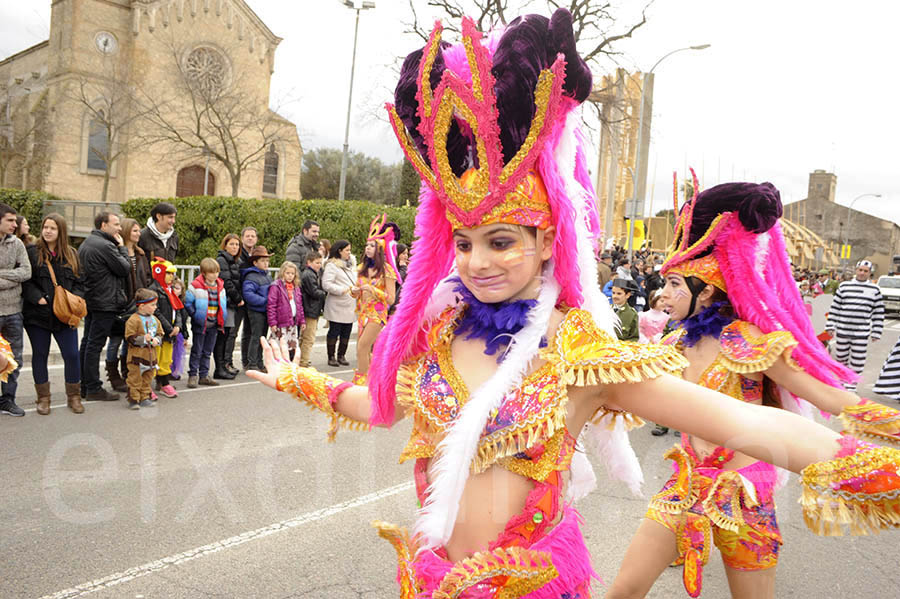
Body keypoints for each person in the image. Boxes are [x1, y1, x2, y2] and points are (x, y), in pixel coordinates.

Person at [247, 13, 900, 596]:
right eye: (467, 241)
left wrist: (876, 452)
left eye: (501, 241)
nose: (477, 261)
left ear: (547, 238)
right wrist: (297, 380)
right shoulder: (444, 330)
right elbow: (383, 403)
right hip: (432, 582)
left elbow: (752, 423)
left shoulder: (579, 352)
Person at [606, 179, 900, 599]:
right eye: (665, 283)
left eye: (674, 284)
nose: (662, 294)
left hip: (745, 495)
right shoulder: (671, 345)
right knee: (624, 590)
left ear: (705, 289)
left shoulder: (749, 342)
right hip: (682, 487)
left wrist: (891, 425)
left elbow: (830, 397)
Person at [22, 213, 84, 414]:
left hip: (65, 316)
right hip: (38, 315)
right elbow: (25, 280)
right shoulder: (32, 252)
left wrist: (75, 300)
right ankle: (43, 398)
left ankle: (74, 396)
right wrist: (37, 297)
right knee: (40, 355)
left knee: (72, 355)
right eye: (45, 227)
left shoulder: (71, 254)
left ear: (61, 231)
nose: (47, 231)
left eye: (53, 228)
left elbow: (80, 282)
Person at [78, 212, 131, 402]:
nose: (119, 228)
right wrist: (123, 249)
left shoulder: (88, 242)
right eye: (116, 224)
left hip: (93, 300)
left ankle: (85, 385)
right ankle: (92, 387)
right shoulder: (106, 245)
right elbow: (124, 268)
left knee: (88, 342)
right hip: (104, 302)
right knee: (94, 344)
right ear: (103, 225)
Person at [105, 218, 151, 393]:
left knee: (129, 342)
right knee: (115, 341)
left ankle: (127, 372)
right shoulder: (116, 252)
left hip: (137, 304)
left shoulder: (141, 254)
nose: (138, 234)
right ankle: (113, 374)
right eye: (135, 231)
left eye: (139, 231)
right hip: (120, 304)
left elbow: (146, 277)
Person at [825, 259, 885, 392]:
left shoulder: (874, 290)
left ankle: (851, 384)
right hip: (843, 329)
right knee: (840, 358)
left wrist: (876, 332)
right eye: (860, 270)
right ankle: (841, 382)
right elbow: (835, 307)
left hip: (861, 333)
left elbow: (878, 312)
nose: (862, 273)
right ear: (856, 270)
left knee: (858, 360)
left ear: (870, 273)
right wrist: (830, 325)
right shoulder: (844, 286)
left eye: (866, 271)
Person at [353, 216, 399, 384]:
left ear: (379, 249)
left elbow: (391, 298)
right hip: (362, 314)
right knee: (361, 351)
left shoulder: (387, 271)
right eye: (367, 245)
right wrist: (355, 292)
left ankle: (361, 383)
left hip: (377, 315)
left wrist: (373, 290)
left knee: (362, 347)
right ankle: (377, 381)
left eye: (372, 245)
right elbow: (358, 294)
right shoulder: (361, 269)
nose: (367, 248)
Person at [0, 203, 30, 417]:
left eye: (15, 220)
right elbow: (17, 274)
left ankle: (8, 399)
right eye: (10, 220)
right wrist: (10, 274)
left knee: (14, 359)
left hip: (13, 311)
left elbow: (26, 272)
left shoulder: (17, 243)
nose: (15, 224)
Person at [184, 258, 226, 387]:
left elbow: (222, 304)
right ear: (203, 273)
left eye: (216, 272)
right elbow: (187, 302)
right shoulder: (195, 286)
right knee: (197, 350)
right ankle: (192, 375)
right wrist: (195, 315)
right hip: (201, 323)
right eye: (211, 272)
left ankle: (204, 374)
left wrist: (222, 318)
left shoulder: (220, 286)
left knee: (208, 351)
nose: (214, 275)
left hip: (214, 323)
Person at [147, 259, 183, 397]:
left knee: (166, 359)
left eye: (173, 273)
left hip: (170, 333)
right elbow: (156, 312)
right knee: (153, 359)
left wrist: (178, 326)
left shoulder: (170, 290)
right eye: (168, 273)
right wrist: (169, 328)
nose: (171, 276)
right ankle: (147, 386)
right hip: (158, 332)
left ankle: (164, 383)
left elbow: (178, 308)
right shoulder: (154, 290)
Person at [124, 288, 162, 409]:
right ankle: (134, 399)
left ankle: (145, 397)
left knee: (148, 378)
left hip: (150, 357)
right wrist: (143, 339)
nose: (155, 307)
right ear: (141, 306)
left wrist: (157, 339)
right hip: (136, 357)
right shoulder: (133, 320)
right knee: (135, 378)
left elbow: (160, 333)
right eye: (152, 305)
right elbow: (129, 337)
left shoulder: (155, 320)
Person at [321, 240, 357, 368]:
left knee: (347, 331)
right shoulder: (332, 265)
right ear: (339, 251)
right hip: (337, 304)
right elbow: (326, 284)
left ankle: (342, 355)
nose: (349, 253)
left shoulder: (351, 265)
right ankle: (331, 356)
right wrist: (341, 290)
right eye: (347, 250)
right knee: (334, 330)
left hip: (350, 303)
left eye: (349, 250)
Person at [214, 233, 243, 379]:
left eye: (237, 244)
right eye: (232, 244)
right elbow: (226, 281)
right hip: (225, 303)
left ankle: (224, 366)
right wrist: (238, 298)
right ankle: (219, 368)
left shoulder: (236, 261)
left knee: (227, 336)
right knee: (222, 336)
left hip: (231, 303)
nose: (235, 247)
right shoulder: (222, 260)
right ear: (225, 245)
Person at [240, 247, 271, 372]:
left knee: (262, 337)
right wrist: (266, 302)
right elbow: (248, 295)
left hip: (265, 310)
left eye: (267, 261)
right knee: (255, 336)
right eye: (263, 261)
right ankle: (252, 362)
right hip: (256, 310)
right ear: (255, 262)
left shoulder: (267, 276)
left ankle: (259, 361)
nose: (266, 263)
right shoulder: (251, 276)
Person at [267, 260, 305, 361]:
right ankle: (277, 364)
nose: (290, 276)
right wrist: (273, 323)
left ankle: (290, 364)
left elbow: (299, 305)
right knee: (279, 345)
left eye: (292, 273)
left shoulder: (296, 287)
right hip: (281, 323)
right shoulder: (276, 286)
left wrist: (302, 321)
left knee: (292, 346)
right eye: (287, 273)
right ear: (282, 273)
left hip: (292, 322)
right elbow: (271, 305)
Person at [235, 226, 258, 369]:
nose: (250, 238)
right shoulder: (238, 254)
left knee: (249, 330)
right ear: (242, 238)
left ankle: (248, 361)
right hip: (239, 297)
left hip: (251, 299)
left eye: (253, 236)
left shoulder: (257, 254)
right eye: (247, 236)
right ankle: (231, 362)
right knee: (235, 332)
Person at [299, 250, 327, 367]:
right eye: (316, 263)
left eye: (320, 263)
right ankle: (303, 361)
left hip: (311, 308)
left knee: (305, 337)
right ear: (309, 262)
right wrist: (325, 293)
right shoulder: (309, 275)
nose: (319, 265)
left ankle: (301, 358)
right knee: (308, 338)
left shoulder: (313, 273)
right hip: (310, 309)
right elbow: (314, 292)